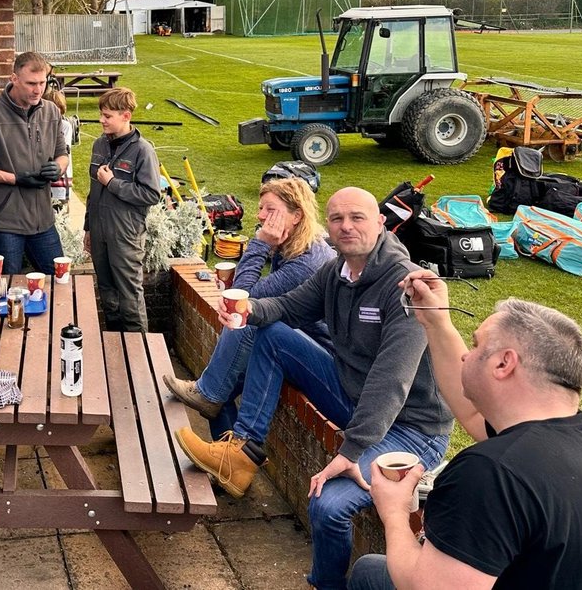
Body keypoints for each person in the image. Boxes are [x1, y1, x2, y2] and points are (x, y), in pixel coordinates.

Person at [175, 187, 453, 590]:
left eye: (357, 217)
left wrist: (352, 450)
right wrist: (250, 309)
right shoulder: (336, 272)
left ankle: (325, 583)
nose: (345, 226)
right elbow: (286, 307)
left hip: (411, 429)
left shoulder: (404, 287)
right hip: (353, 397)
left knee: (327, 504)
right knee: (270, 333)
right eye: (337, 218)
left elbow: (392, 381)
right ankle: (243, 453)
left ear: (380, 223)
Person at [350, 289, 582, 590]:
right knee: (371, 571)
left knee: (369, 575)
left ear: (504, 364)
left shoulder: (489, 473)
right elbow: (472, 414)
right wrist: (436, 323)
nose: (466, 354)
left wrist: (394, 511)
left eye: (476, 345)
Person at [164, 176, 335, 438]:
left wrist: (260, 242)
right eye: (261, 208)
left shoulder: (307, 262)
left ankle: (208, 394)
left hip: (317, 355)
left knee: (245, 324)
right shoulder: (295, 246)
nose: (261, 216)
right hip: (290, 340)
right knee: (223, 388)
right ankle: (224, 457)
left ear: (296, 216)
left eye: (270, 210)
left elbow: (245, 301)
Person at [0, 51, 68, 275]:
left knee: (60, 278)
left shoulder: (51, 112)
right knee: (4, 287)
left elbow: (62, 154)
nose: (38, 90)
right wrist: (15, 179)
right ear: (14, 79)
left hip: (43, 220)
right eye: (31, 83)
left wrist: (58, 167)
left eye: (43, 82)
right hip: (4, 223)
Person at [81, 87, 162, 331]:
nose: (101, 120)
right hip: (99, 231)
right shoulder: (99, 145)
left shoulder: (142, 151)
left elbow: (151, 194)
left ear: (125, 116)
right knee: (107, 292)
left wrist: (113, 183)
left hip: (126, 235)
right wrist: (88, 228)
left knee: (129, 295)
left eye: (107, 116)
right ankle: (114, 348)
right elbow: (93, 191)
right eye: (101, 114)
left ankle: (139, 353)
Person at [43, 85, 75, 211]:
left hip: (60, 181)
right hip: (45, 182)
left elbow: (62, 150)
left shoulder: (65, 126)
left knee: (60, 214)